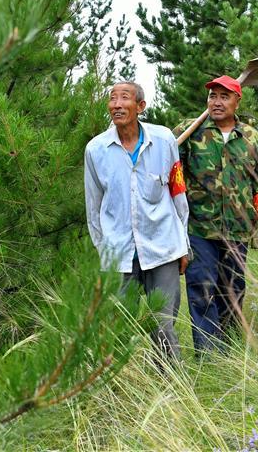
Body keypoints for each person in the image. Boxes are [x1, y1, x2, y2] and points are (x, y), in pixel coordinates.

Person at [84, 82, 190, 361]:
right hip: (119, 252)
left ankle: (171, 388)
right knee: (120, 326)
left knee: (163, 324)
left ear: (140, 107)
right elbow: (92, 207)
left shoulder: (164, 140)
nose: (117, 104)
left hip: (163, 246)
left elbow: (178, 193)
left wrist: (183, 244)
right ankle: (126, 391)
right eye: (112, 99)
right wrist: (102, 250)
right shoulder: (96, 150)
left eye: (125, 98)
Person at [173, 75, 258, 353]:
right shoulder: (189, 132)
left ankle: (228, 348)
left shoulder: (252, 137)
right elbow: (170, 172)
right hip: (199, 229)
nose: (216, 102)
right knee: (202, 289)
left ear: (237, 100)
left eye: (223, 96)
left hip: (238, 229)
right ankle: (209, 355)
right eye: (212, 96)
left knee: (233, 290)